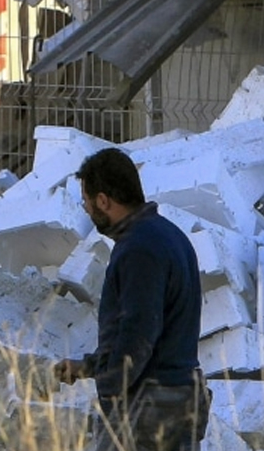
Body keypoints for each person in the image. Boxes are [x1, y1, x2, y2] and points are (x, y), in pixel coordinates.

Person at [56, 147, 210, 451]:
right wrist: (87, 367)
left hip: (149, 409)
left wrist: (111, 389)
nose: (86, 209)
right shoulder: (169, 236)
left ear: (103, 200)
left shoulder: (139, 249)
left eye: (86, 200)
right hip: (178, 399)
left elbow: (139, 332)